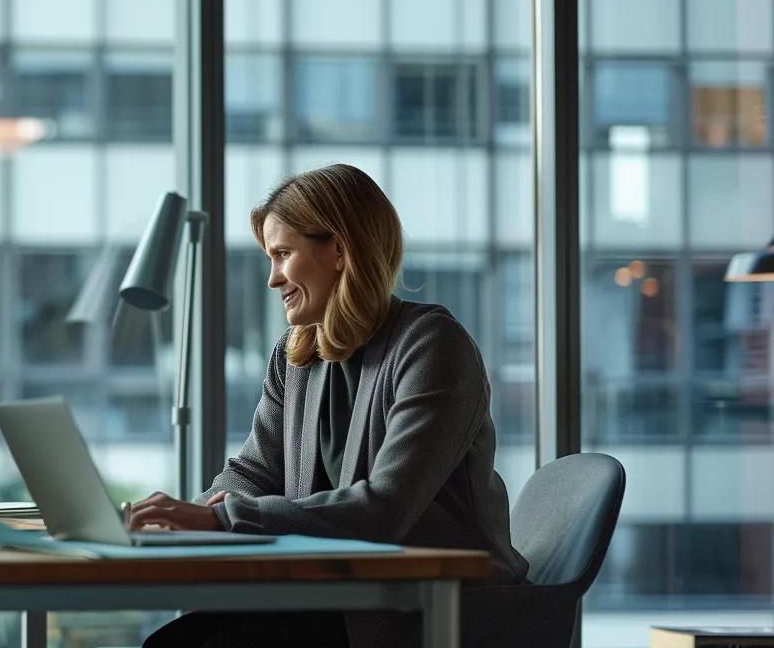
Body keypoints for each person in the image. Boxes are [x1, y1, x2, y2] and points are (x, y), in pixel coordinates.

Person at [130, 164, 529, 648]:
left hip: (429, 609)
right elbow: (253, 473)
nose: (272, 279)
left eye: (282, 255)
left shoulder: (431, 347)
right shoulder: (297, 353)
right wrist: (185, 517)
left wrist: (220, 519)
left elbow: (384, 510)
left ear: (339, 249)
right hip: (337, 599)